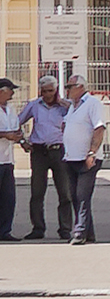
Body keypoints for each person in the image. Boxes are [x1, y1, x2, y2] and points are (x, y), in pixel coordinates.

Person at [59, 75, 108, 243]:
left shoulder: (92, 104)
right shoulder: (73, 106)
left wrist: (92, 152)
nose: (67, 90)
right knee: (75, 195)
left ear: (80, 87)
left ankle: (79, 232)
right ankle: (88, 232)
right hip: (71, 157)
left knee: (82, 196)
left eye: (69, 86)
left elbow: (99, 128)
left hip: (86, 158)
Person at [17, 78, 62, 240]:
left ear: (56, 90)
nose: (48, 95)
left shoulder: (64, 107)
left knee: (65, 192)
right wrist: (22, 141)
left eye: (51, 91)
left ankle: (65, 228)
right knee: (37, 192)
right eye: (44, 91)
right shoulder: (34, 105)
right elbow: (17, 122)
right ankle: (38, 228)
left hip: (59, 151)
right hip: (39, 151)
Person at [0, 78, 17, 240]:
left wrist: (20, 138)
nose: (13, 93)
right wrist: (5, 135)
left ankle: (5, 231)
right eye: (10, 90)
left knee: (8, 198)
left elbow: (16, 127)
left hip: (8, 160)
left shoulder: (11, 109)